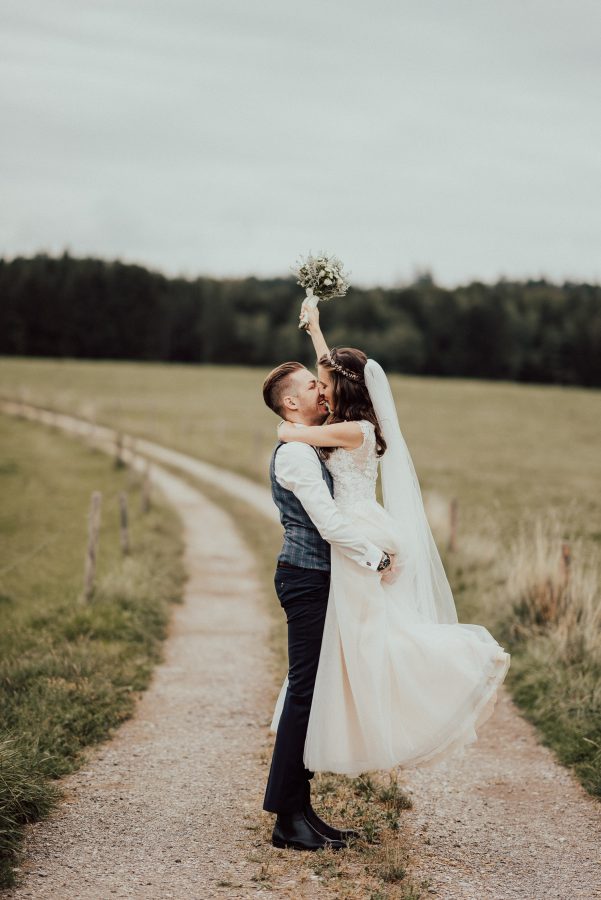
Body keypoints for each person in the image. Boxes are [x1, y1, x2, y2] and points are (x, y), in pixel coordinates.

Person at [271, 303, 510, 779]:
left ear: (341, 389)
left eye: (325, 383)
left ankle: (388, 712)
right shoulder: (351, 422)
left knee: (368, 638)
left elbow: (288, 427)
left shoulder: (352, 430)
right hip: (356, 529)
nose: (319, 387)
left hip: (355, 532)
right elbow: (323, 380)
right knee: (359, 637)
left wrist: (288, 421)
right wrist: (316, 332)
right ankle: (343, 728)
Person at [261, 360, 392, 851]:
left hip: (320, 578)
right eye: (312, 387)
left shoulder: (309, 443)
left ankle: (302, 811)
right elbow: (329, 523)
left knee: (310, 694)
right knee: (304, 694)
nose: (322, 391)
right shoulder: (295, 455)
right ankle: (285, 818)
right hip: (306, 577)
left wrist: (315, 325)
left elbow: (340, 374)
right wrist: (375, 556)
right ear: (290, 403)